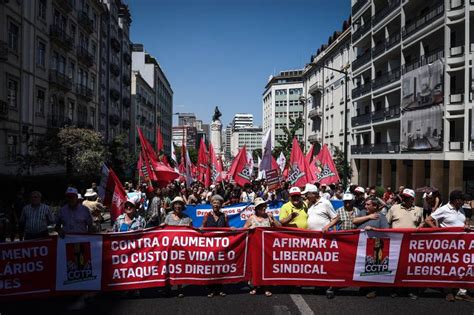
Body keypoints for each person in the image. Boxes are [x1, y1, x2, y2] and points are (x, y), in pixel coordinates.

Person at [425, 190, 474, 302]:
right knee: (448, 267)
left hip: (461, 245)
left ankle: (461, 292)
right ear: (456, 200)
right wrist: (438, 231)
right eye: (462, 199)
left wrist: (465, 225)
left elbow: (461, 222)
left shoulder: (461, 209)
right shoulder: (444, 209)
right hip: (448, 245)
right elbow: (428, 220)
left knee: (462, 267)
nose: (464, 201)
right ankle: (448, 291)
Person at [385, 188, 422, 300]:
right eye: (403, 197)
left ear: (412, 199)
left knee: (410, 268)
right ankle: (395, 289)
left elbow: (421, 225)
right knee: (396, 267)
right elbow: (387, 223)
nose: (404, 199)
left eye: (407, 198)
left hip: (412, 244)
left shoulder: (419, 210)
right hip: (396, 242)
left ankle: (411, 289)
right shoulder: (394, 208)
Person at [353, 197, 389, 299]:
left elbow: (386, 230)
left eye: (368, 205)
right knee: (361, 265)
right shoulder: (363, 213)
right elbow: (354, 221)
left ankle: (373, 289)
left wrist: (373, 229)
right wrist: (369, 217)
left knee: (373, 267)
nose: (366, 206)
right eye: (366, 204)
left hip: (376, 245)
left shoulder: (381, 217)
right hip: (361, 244)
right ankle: (364, 286)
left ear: (375, 206)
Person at [245, 198, 278, 297]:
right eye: (260, 206)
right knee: (255, 265)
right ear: (257, 208)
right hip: (254, 247)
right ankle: (255, 286)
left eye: (264, 206)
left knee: (266, 266)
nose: (263, 208)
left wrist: (273, 220)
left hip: (267, 247)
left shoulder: (269, 217)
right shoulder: (252, 218)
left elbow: (277, 228)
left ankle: (266, 287)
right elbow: (244, 229)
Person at [201, 194, 228, 298]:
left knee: (220, 267)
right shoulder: (207, 216)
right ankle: (211, 289)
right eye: (214, 203)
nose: (216, 205)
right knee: (210, 267)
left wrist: (233, 229)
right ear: (211, 204)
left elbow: (227, 228)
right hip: (209, 246)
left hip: (221, 246)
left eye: (218, 203)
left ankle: (220, 289)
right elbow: (202, 227)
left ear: (221, 205)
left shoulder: (224, 216)